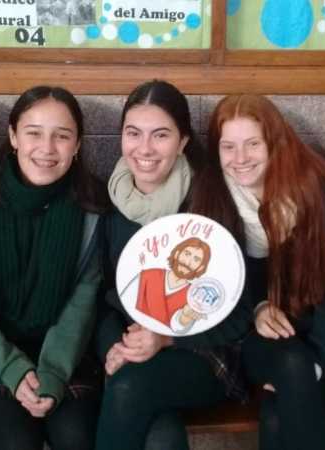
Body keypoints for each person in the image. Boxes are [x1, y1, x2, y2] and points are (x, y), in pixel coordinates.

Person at [0, 86, 107, 450]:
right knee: (15, 442)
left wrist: (52, 372)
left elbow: (81, 303)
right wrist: (11, 368)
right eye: (34, 133)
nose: (47, 148)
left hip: (64, 354)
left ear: (77, 145)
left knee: (76, 437)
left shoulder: (91, 206)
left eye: (62, 136)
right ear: (13, 136)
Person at [190, 94, 325, 450]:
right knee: (291, 363)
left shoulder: (314, 190)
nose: (240, 158)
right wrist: (257, 308)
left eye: (253, 143)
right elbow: (211, 285)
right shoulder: (211, 194)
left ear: (274, 142)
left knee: (276, 413)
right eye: (228, 146)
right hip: (254, 335)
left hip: (323, 334)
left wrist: (319, 361)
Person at [94, 80, 253, 450]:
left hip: (205, 352)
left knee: (130, 387)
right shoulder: (111, 202)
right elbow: (101, 296)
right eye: (133, 133)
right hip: (133, 348)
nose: (144, 149)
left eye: (161, 135)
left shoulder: (210, 202)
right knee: (161, 435)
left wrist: (166, 338)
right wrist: (115, 347)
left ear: (182, 142)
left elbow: (240, 313)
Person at [128, 236, 211, 331]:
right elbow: (125, 299)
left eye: (196, 260)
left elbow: (178, 330)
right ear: (177, 253)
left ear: (200, 268)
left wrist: (184, 318)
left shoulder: (194, 296)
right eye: (187, 254)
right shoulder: (147, 275)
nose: (188, 262)